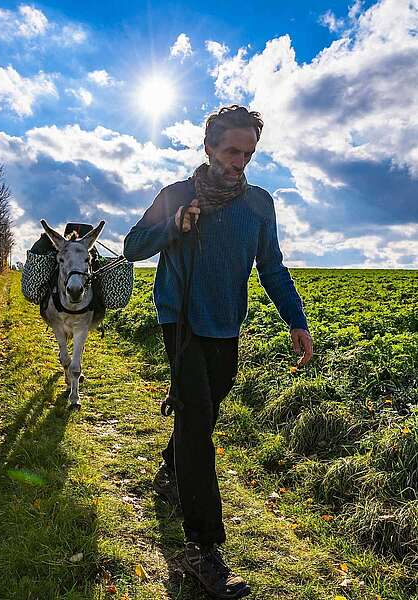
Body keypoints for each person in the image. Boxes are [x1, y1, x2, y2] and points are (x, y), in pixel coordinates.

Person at [122, 105, 313, 599]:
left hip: (227, 326)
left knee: (200, 417)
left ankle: (170, 468)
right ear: (208, 148)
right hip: (180, 322)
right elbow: (132, 246)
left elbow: (270, 265)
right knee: (198, 428)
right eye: (232, 151)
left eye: (248, 153)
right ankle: (203, 549)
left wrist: (296, 319)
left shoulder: (258, 204)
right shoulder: (177, 195)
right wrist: (175, 228)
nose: (239, 162)